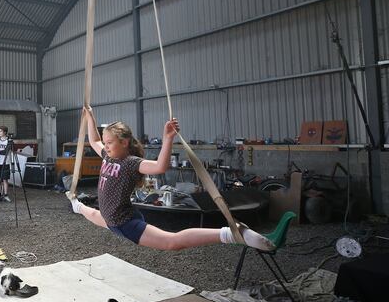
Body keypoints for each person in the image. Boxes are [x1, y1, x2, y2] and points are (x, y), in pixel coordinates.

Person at [66, 106, 275, 251]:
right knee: (91, 213)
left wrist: (167, 139)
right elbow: (93, 139)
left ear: (125, 142)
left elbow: (160, 166)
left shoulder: (131, 163)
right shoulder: (107, 155)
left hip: (124, 222)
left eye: (110, 142)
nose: (106, 145)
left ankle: (234, 234)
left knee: (172, 243)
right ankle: (76, 206)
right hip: (111, 219)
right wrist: (90, 117)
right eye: (106, 142)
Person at [0, 126, 12, 202]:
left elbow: (5, 152)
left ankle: (6, 195)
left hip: (6, 162)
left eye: (1, 131)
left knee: (5, 179)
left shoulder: (9, 141)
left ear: (5, 132)